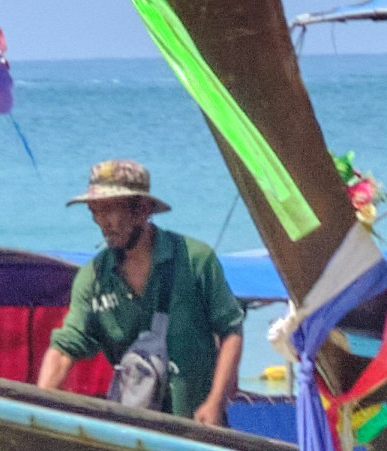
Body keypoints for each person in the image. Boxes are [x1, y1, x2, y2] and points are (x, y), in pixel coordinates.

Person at [41, 159, 241, 427]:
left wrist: (215, 402)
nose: (102, 222)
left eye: (110, 210)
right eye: (95, 211)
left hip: (198, 426)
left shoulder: (195, 260)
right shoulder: (94, 277)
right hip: (132, 430)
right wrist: (39, 407)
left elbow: (231, 331)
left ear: (143, 209)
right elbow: (65, 348)